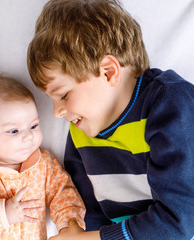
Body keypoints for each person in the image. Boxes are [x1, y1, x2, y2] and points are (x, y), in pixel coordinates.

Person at [27, 0, 194, 239]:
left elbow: (180, 220)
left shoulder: (169, 103)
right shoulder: (81, 132)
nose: (56, 113)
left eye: (63, 95)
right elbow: (91, 213)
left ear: (109, 72)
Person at [0, 74, 85, 239]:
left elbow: (63, 193)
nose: (28, 136)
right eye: (14, 131)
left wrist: (68, 224)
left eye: (33, 126)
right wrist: (4, 213)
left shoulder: (43, 164)